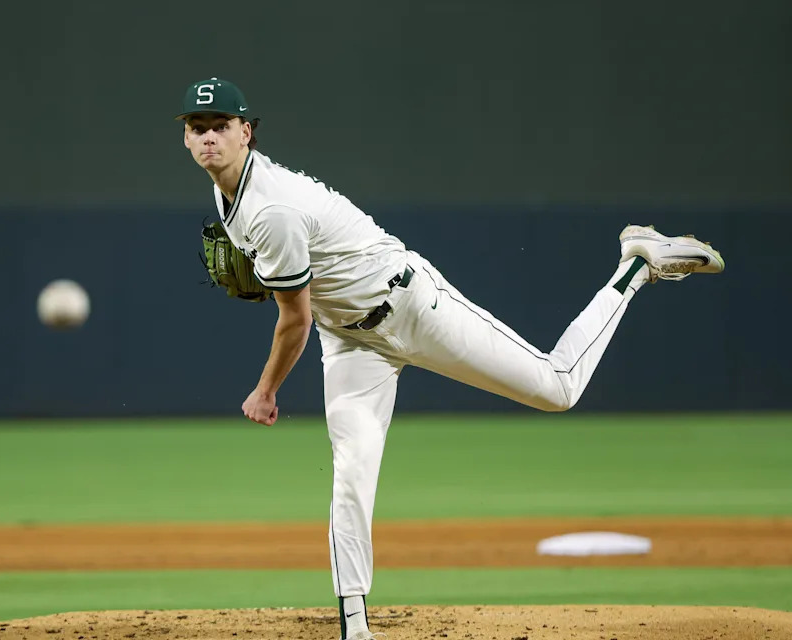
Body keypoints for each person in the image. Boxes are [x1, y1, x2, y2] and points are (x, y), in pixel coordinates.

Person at [176, 77, 725, 640]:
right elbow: (309, 304)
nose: (209, 137)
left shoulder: (272, 210)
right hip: (350, 339)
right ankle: (356, 626)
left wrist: (266, 390)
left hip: (411, 304)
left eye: (220, 126)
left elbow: (295, 319)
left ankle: (635, 265)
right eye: (198, 128)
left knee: (557, 388)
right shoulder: (229, 193)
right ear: (185, 139)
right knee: (351, 467)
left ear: (247, 131)